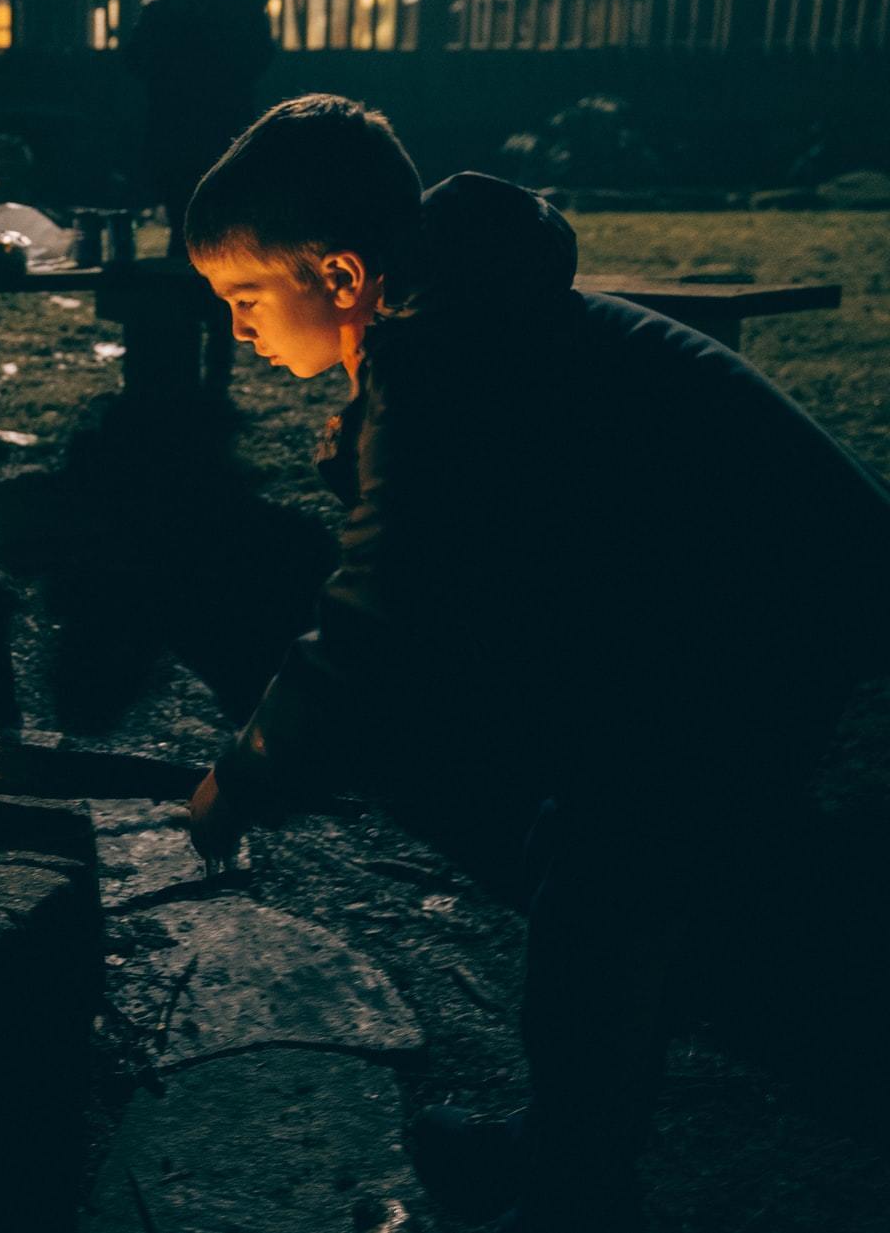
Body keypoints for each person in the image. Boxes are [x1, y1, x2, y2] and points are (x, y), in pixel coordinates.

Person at [178, 94, 890, 1231]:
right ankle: (571, 1143)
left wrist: (249, 775)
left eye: (248, 296)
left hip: (772, 610)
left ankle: (577, 1187)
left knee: (607, 887)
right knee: (602, 864)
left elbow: (377, 615)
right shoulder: (459, 321)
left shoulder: (435, 357)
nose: (240, 327)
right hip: (719, 601)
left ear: (345, 276)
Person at [125, 0, 276, 391]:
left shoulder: (163, 9)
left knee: (183, 241)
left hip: (177, 141)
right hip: (226, 139)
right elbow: (259, 60)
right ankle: (219, 356)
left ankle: (183, 349)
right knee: (229, 242)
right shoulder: (242, 4)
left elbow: (135, 63)